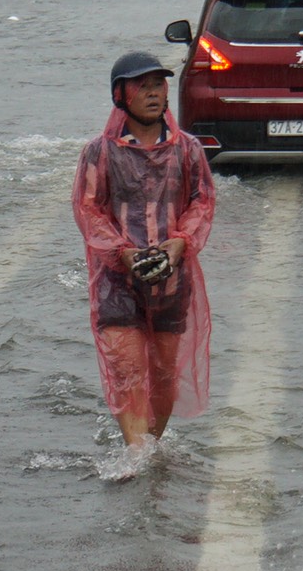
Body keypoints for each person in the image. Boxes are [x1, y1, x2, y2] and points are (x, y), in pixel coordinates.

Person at [73, 52, 216, 447]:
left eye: (159, 84)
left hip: (172, 282)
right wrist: (122, 253)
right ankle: (137, 454)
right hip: (117, 282)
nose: (153, 93)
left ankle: (150, 447)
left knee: (164, 376)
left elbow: (202, 203)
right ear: (121, 94)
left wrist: (179, 242)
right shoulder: (99, 153)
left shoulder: (188, 149)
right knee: (127, 369)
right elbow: (89, 211)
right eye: (143, 86)